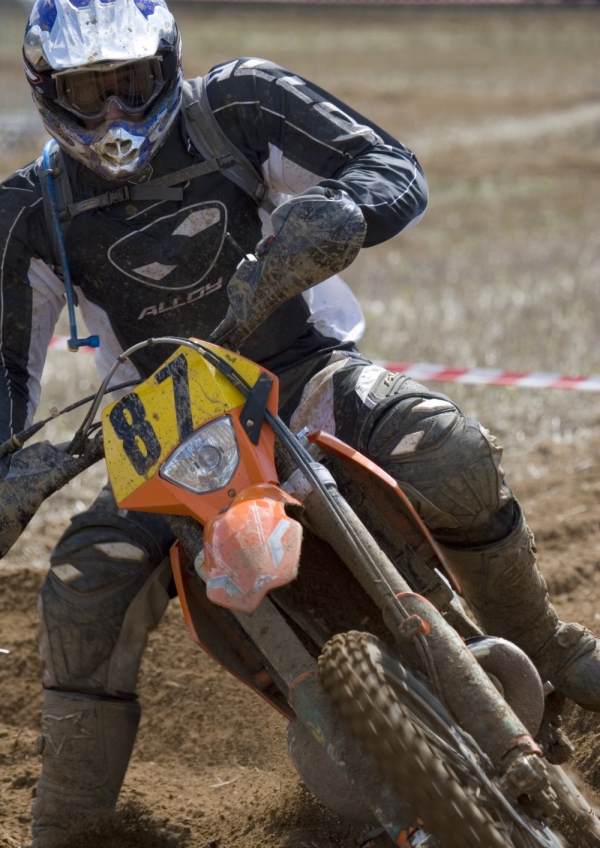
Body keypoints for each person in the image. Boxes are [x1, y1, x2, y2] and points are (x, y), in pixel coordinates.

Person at [1, 0, 599, 844]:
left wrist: (339, 216)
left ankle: (544, 642)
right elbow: (4, 371)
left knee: (451, 449)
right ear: (47, 91)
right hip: (163, 434)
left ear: (164, 64)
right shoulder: (31, 210)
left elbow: (391, 165)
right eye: (87, 92)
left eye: (129, 83)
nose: (114, 114)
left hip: (302, 372)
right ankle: (65, 825)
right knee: (79, 590)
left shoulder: (240, 105)